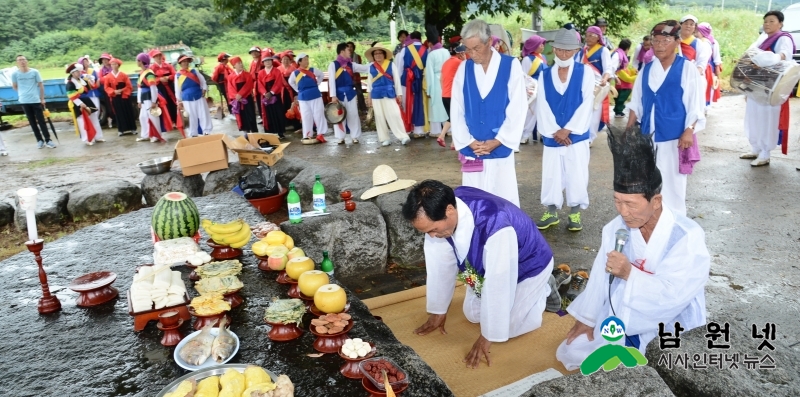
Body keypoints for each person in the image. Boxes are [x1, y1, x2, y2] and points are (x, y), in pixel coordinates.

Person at [555, 125, 710, 371]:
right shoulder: (615, 229)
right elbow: (599, 277)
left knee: (663, 365)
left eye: (630, 203)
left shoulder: (686, 237)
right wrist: (588, 319)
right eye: (617, 201)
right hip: (626, 307)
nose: (623, 212)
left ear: (656, 201)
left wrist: (629, 273)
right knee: (575, 349)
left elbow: (675, 295)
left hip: (671, 317)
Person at [403, 180, 556, 369]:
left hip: (530, 266)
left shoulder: (495, 224)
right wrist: (438, 310)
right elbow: (440, 265)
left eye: (433, 230)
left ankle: (543, 290)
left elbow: (498, 283)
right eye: (426, 232)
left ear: (450, 211)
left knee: (505, 328)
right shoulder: (442, 211)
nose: (432, 236)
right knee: (473, 314)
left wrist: (487, 336)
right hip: (490, 267)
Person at [626, 20, 705, 217]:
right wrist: (628, 130)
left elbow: (695, 104)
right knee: (649, 179)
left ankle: (676, 218)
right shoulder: (646, 69)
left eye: (665, 41)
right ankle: (653, 218)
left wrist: (689, 130)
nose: (659, 45)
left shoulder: (686, 68)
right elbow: (637, 102)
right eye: (656, 40)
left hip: (674, 136)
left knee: (673, 181)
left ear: (677, 42)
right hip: (648, 135)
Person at [451, 19, 526, 207]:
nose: (472, 54)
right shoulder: (464, 68)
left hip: (500, 144)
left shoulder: (511, 65)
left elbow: (518, 107)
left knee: (503, 198)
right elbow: (457, 108)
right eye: (467, 49)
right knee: (474, 202)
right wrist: (468, 141)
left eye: (476, 48)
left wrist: (499, 140)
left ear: (489, 42)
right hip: (472, 147)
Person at [533, 28, 595, 231]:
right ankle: (551, 212)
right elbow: (541, 104)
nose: (563, 54)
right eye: (559, 49)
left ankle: (575, 212)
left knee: (577, 172)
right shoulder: (544, 74)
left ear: (576, 50)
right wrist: (554, 131)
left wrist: (568, 129)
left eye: (568, 51)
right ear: (553, 49)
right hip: (553, 136)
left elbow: (587, 102)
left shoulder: (584, 71)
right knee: (551, 174)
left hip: (575, 136)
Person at [741, 11, 796, 167]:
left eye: (771, 21)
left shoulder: (783, 38)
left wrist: (769, 58)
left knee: (767, 120)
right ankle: (755, 148)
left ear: (780, 24)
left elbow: (783, 55)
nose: (767, 24)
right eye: (765, 21)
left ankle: (765, 153)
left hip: (771, 86)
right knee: (753, 117)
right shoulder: (762, 38)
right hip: (756, 85)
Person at [365, 43, 411, 146]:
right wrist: (369, 97)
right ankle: (384, 138)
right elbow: (369, 84)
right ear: (373, 55)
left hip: (389, 92)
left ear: (384, 54)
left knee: (395, 114)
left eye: (380, 53)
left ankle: (403, 136)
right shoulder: (371, 67)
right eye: (375, 53)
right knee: (379, 116)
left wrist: (399, 94)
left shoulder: (391, 64)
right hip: (376, 94)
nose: (378, 55)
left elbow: (397, 80)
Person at [11, 55, 56, 149]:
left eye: (23, 59)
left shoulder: (34, 72)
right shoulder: (15, 74)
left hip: (35, 100)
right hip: (24, 101)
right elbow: (15, 86)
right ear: (17, 63)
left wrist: (42, 98)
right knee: (32, 122)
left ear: (26, 61)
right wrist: (22, 93)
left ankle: (48, 140)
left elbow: (41, 85)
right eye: (20, 60)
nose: (22, 61)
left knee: (41, 121)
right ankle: (39, 140)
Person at [328, 43, 370, 144]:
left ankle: (354, 136)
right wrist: (333, 96)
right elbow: (331, 81)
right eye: (348, 50)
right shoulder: (333, 64)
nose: (350, 51)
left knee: (353, 114)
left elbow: (364, 68)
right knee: (339, 116)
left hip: (351, 93)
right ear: (342, 52)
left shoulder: (351, 64)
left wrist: (376, 63)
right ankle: (340, 137)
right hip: (338, 94)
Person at [581, 26, 613, 144]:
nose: (588, 38)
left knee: (595, 109)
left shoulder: (603, 50)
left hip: (597, 84)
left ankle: (590, 137)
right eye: (587, 35)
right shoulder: (584, 50)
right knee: (584, 109)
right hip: (584, 83)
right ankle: (583, 134)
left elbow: (608, 68)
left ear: (598, 37)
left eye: (591, 35)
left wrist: (605, 79)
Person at [288, 53, 327, 142]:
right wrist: (298, 90)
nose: (307, 61)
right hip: (303, 97)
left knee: (318, 114)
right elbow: (291, 82)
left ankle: (320, 134)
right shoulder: (295, 73)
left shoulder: (312, 70)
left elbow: (321, 75)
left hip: (315, 95)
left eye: (307, 59)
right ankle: (307, 134)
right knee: (306, 116)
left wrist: (317, 83)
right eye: (304, 60)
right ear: (300, 62)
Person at [397, 31, 429, 137]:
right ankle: (419, 130)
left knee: (407, 103)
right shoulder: (426, 50)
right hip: (421, 78)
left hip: (407, 79)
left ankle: (407, 128)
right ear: (420, 38)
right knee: (419, 103)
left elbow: (400, 67)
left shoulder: (405, 49)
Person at [678, 15, 711, 112]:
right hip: (674, 76)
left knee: (690, 106)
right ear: (680, 25)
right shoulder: (674, 41)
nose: (688, 26)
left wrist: (693, 74)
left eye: (691, 24)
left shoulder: (699, 43)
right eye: (686, 24)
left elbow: (702, 62)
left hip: (692, 78)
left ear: (694, 28)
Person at [66, 63, 104, 145]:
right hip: (78, 103)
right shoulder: (70, 83)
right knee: (83, 121)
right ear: (72, 73)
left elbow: (91, 87)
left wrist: (91, 79)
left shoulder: (82, 80)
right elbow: (72, 96)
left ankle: (98, 136)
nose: (79, 73)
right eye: (77, 72)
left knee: (94, 118)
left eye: (79, 71)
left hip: (87, 100)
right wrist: (80, 104)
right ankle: (88, 139)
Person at [135, 53, 170, 143]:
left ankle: (156, 135)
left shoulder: (150, 73)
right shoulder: (141, 73)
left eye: (138, 60)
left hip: (149, 98)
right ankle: (146, 135)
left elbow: (153, 88)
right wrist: (139, 100)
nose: (136, 62)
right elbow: (139, 88)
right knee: (143, 117)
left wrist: (154, 101)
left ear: (142, 62)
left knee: (153, 116)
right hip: (143, 98)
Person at [437, 43, 466, 149]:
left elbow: (441, 79)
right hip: (453, 95)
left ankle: (443, 137)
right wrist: (464, 61)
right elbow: (467, 72)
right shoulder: (460, 63)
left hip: (444, 94)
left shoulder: (446, 63)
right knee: (458, 118)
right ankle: (453, 141)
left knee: (453, 117)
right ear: (459, 53)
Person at [520, 35, 548, 145]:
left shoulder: (543, 57)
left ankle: (544, 134)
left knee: (544, 113)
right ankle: (524, 135)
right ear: (534, 45)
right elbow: (524, 76)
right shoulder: (527, 59)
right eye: (540, 44)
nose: (542, 46)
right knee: (531, 114)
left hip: (544, 89)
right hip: (533, 91)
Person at [176, 55, 212, 137]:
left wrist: (204, 89)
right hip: (186, 98)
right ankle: (193, 133)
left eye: (186, 61)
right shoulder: (177, 75)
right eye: (183, 62)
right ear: (180, 63)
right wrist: (179, 101)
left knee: (203, 114)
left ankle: (206, 131)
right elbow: (177, 89)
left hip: (198, 95)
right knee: (191, 116)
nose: (185, 63)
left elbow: (203, 81)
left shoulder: (194, 71)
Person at [425, 25, 450, 140]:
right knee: (446, 104)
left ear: (430, 43)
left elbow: (429, 73)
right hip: (446, 79)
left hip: (435, 81)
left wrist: (428, 89)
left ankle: (436, 130)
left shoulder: (431, 54)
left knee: (435, 105)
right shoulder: (446, 51)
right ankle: (449, 129)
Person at [103, 58, 137, 136]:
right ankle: (121, 130)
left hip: (124, 96)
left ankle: (132, 128)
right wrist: (114, 91)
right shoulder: (108, 76)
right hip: (115, 97)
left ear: (118, 65)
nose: (113, 66)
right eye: (112, 64)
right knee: (118, 113)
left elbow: (129, 86)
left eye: (115, 64)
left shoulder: (124, 75)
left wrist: (122, 90)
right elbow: (106, 87)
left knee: (128, 111)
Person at [257, 53, 287, 138]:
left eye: (269, 60)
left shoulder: (277, 71)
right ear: (263, 62)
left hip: (275, 95)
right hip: (265, 97)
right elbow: (259, 85)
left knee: (278, 113)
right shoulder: (260, 73)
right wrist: (265, 93)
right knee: (268, 114)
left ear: (272, 61)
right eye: (265, 60)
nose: (267, 62)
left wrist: (272, 92)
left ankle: (280, 132)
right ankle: (270, 133)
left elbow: (278, 83)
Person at [226, 56, 259, 134]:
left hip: (247, 98)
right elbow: (230, 88)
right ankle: (246, 133)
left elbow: (249, 85)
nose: (241, 65)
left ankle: (254, 132)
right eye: (238, 63)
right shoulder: (230, 77)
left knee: (250, 115)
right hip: (238, 100)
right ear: (234, 65)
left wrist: (240, 95)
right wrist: (236, 96)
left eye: (241, 63)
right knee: (241, 116)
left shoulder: (247, 75)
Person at [77, 56, 105, 138]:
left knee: (96, 113)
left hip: (94, 94)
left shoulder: (93, 71)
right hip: (86, 96)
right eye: (84, 61)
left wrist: (96, 83)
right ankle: (90, 136)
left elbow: (97, 82)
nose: (86, 63)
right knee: (89, 115)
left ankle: (98, 136)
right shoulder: (79, 73)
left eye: (86, 61)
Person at [149, 50, 178, 128]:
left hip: (170, 86)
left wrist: (168, 77)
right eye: (156, 56)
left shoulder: (168, 65)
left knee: (173, 103)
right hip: (160, 88)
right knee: (164, 104)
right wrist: (159, 79)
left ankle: (176, 120)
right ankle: (169, 122)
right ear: (153, 58)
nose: (158, 57)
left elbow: (174, 74)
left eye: (159, 55)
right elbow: (151, 79)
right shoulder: (151, 68)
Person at [697, 23, 721, 107]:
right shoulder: (698, 41)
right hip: (703, 66)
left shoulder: (713, 42)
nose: (696, 33)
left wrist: (717, 72)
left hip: (709, 67)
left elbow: (717, 58)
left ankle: (706, 106)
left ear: (702, 32)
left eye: (698, 31)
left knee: (708, 87)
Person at [278, 50, 300, 131]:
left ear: (290, 60)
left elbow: (296, 81)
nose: (285, 61)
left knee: (293, 106)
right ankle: (285, 124)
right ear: (281, 60)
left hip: (292, 90)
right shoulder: (278, 69)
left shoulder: (294, 69)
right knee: (283, 106)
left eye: (287, 59)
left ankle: (296, 125)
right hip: (282, 91)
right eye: (284, 59)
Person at [611, 39, 633, 118]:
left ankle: (618, 111)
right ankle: (618, 112)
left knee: (619, 99)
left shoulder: (617, 53)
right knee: (620, 100)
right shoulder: (619, 57)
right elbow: (628, 78)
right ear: (627, 48)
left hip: (620, 86)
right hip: (623, 87)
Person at [347, 42, 368, 112]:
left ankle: (363, 108)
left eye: (351, 47)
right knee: (348, 94)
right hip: (347, 78)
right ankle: (350, 109)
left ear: (353, 48)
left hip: (356, 78)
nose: (350, 48)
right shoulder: (344, 57)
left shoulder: (357, 56)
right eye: (348, 47)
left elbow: (359, 67)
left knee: (360, 93)